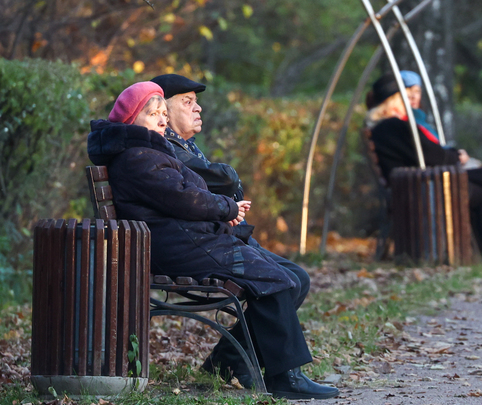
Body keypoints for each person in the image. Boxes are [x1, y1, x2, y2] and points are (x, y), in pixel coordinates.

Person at [86, 81, 339, 400]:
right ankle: (286, 377)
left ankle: (235, 365)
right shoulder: (139, 156)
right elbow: (183, 199)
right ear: (132, 118)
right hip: (181, 247)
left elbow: (182, 197)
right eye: (154, 114)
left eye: (164, 113)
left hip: (185, 241)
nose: (163, 119)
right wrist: (227, 208)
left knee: (283, 278)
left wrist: (222, 212)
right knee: (274, 278)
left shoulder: (144, 151)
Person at [149, 74, 314, 383]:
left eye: (196, 102)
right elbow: (214, 183)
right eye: (188, 102)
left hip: (210, 238)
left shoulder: (181, 147)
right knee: (283, 280)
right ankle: (281, 376)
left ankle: (225, 363)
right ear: (163, 111)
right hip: (194, 246)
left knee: (298, 278)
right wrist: (228, 189)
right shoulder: (164, 149)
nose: (198, 109)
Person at [366, 73, 482, 270]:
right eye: (404, 97)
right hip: (419, 188)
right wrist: (457, 156)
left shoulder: (384, 128)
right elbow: (431, 155)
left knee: (481, 190)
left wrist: (450, 155)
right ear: (394, 101)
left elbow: (425, 152)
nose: (409, 102)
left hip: (413, 184)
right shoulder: (394, 126)